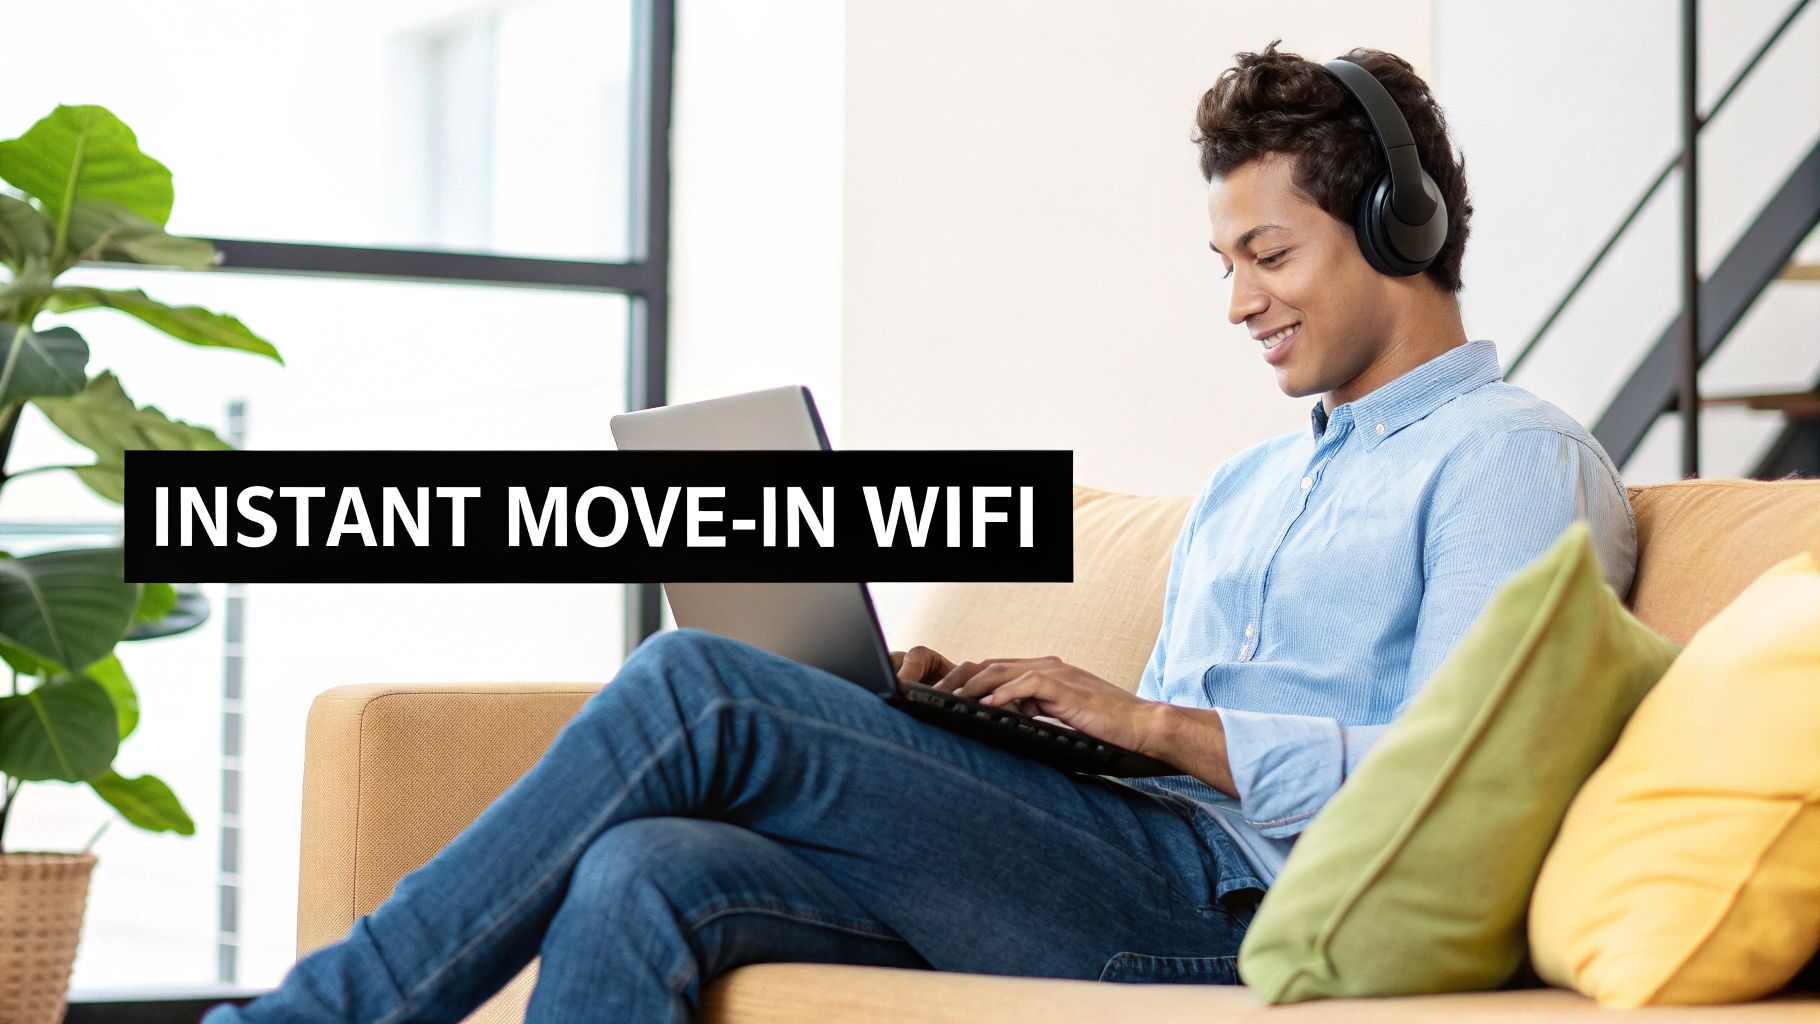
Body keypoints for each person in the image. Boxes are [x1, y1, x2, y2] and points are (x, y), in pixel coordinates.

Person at [207, 40, 1635, 1023]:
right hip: (1117, 851)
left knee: (697, 690)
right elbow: (1154, 756)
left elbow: (1463, 792)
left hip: (1247, 915)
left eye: (1271, 254)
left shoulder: (1513, 463)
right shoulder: (1252, 487)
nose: (1240, 300)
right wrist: (975, 732)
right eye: (1225, 262)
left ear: (1400, 223)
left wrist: (1148, 728)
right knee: (647, 870)